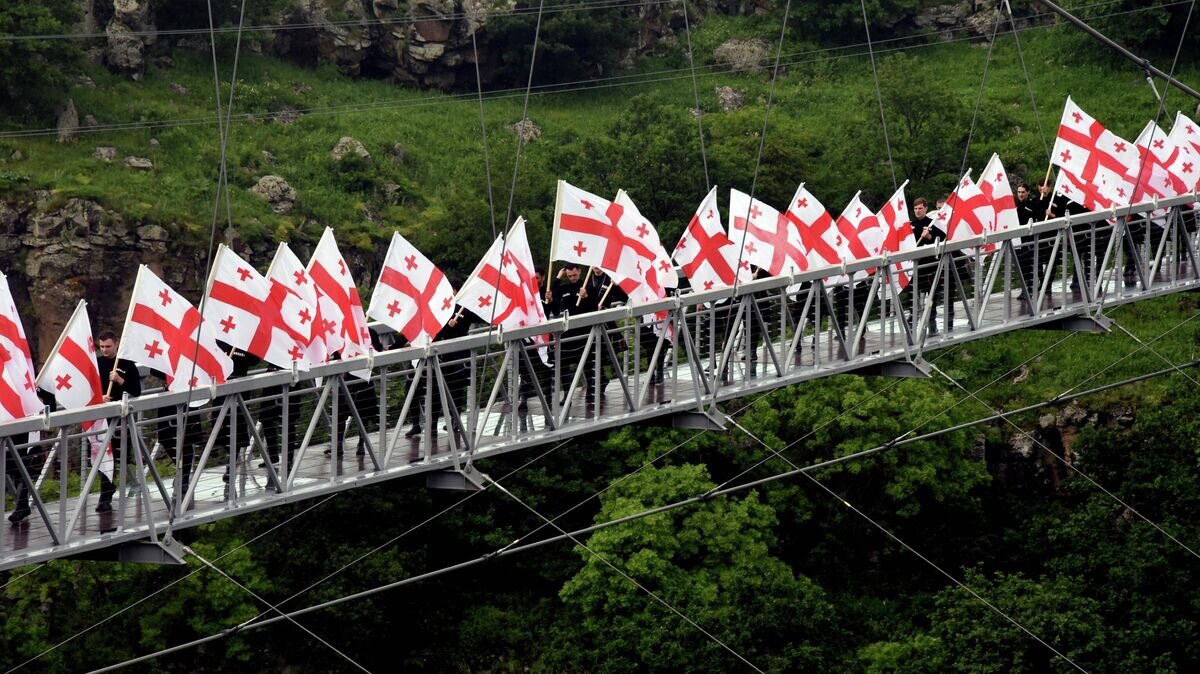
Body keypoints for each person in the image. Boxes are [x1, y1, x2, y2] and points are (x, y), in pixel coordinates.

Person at [94, 330, 141, 513]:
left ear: (116, 344)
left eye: (108, 346)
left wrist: (120, 380)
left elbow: (136, 391)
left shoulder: (127, 364)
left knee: (119, 457)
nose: (105, 350)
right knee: (102, 456)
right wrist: (100, 397)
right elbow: (90, 388)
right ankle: (106, 493)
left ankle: (116, 491)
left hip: (121, 419)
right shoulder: (96, 364)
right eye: (102, 347)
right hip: (101, 417)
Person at [910, 198, 947, 333]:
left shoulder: (932, 224)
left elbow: (943, 238)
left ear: (925, 209)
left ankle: (932, 322)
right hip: (915, 267)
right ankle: (912, 321)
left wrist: (930, 237)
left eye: (920, 208)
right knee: (913, 296)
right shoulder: (910, 225)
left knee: (932, 297)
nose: (918, 211)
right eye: (915, 209)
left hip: (930, 266)